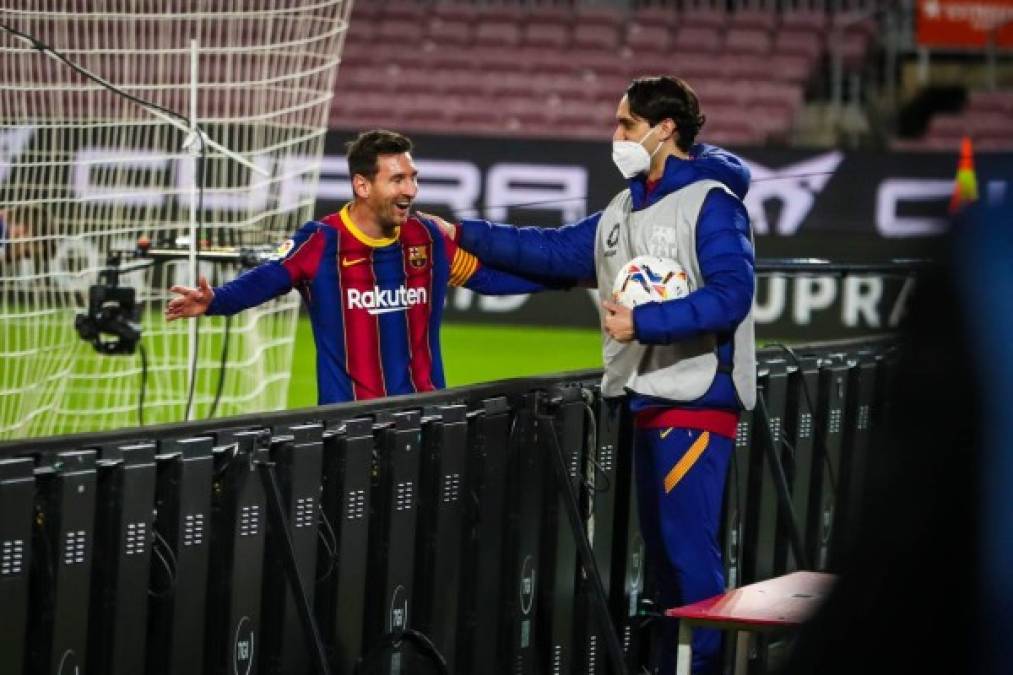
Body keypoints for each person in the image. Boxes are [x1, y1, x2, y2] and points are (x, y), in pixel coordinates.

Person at [428, 76, 754, 674]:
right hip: (645, 399)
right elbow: (553, 255)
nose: (616, 135)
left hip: (695, 401)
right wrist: (461, 241)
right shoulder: (624, 208)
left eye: (626, 124)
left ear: (665, 130)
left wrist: (646, 322)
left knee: (687, 558)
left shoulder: (714, 203)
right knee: (660, 563)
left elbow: (733, 295)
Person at [166, 129, 547, 404]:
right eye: (397, 179)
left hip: (426, 416)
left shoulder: (428, 236)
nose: (411, 190)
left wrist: (565, 279)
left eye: (413, 178)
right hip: (349, 428)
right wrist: (216, 300)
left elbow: (488, 278)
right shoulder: (320, 241)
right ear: (362, 186)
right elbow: (268, 277)